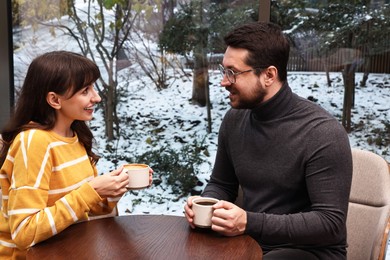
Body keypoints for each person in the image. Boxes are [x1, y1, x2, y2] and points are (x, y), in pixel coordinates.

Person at [184, 22, 352, 259]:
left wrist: (248, 222)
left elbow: (329, 223)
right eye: (224, 71)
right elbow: (222, 184)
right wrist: (205, 205)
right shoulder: (235, 120)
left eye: (232, 72)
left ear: (269, 75)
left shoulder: (322, 133)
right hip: (249, 241)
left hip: (309, 252)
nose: (223, 82)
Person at [0, 51, 152, 259]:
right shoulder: (33, 142)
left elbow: (85, 210)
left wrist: (115, 186)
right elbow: (25, 232)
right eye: (85, 90)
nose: (96, 97)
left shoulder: (76, 136)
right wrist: (90, 190)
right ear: (54, 99)